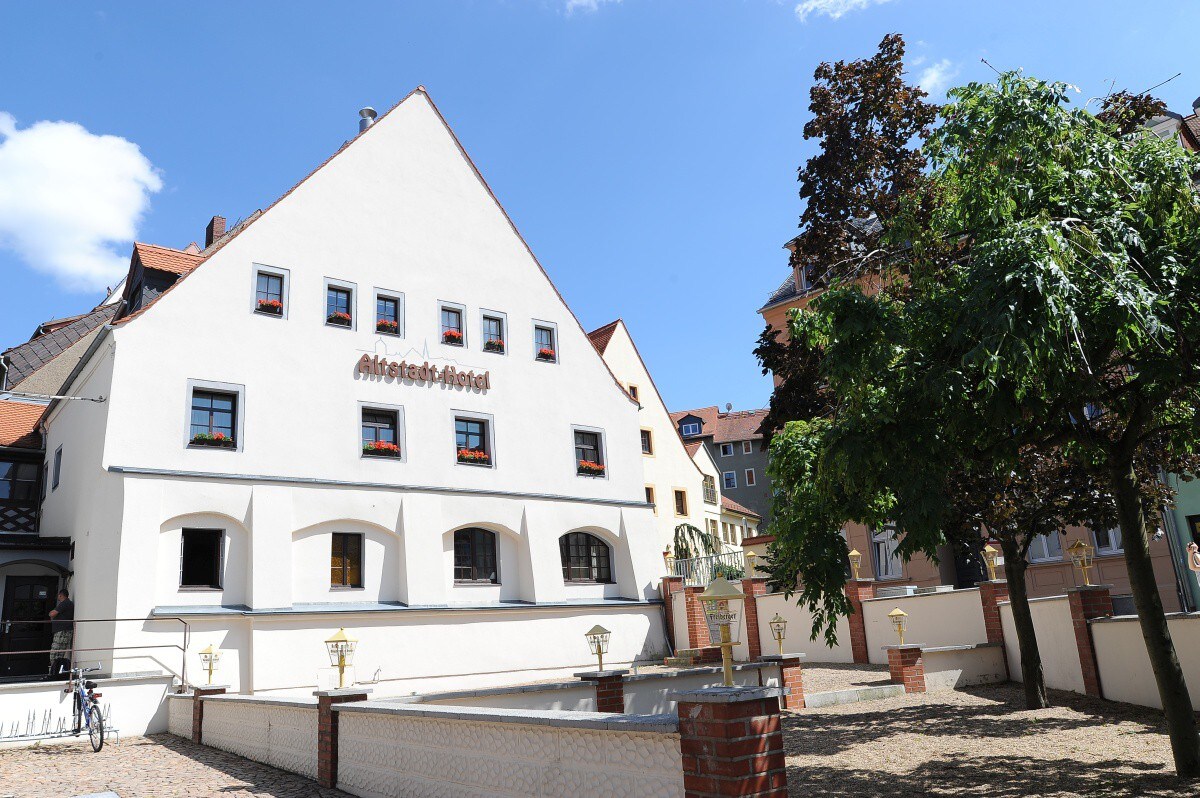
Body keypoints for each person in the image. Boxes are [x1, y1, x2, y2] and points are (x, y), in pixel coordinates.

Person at [48, 588, 74, 680]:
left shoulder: (65, 603)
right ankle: (54, 673)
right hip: (62, 631)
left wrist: (51, 613)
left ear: (60, 595)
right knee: (56, 653)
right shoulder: (66, 603)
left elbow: (52, 614)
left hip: (63, 631)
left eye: (58, 595)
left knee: (56, 654)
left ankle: (54, 674)